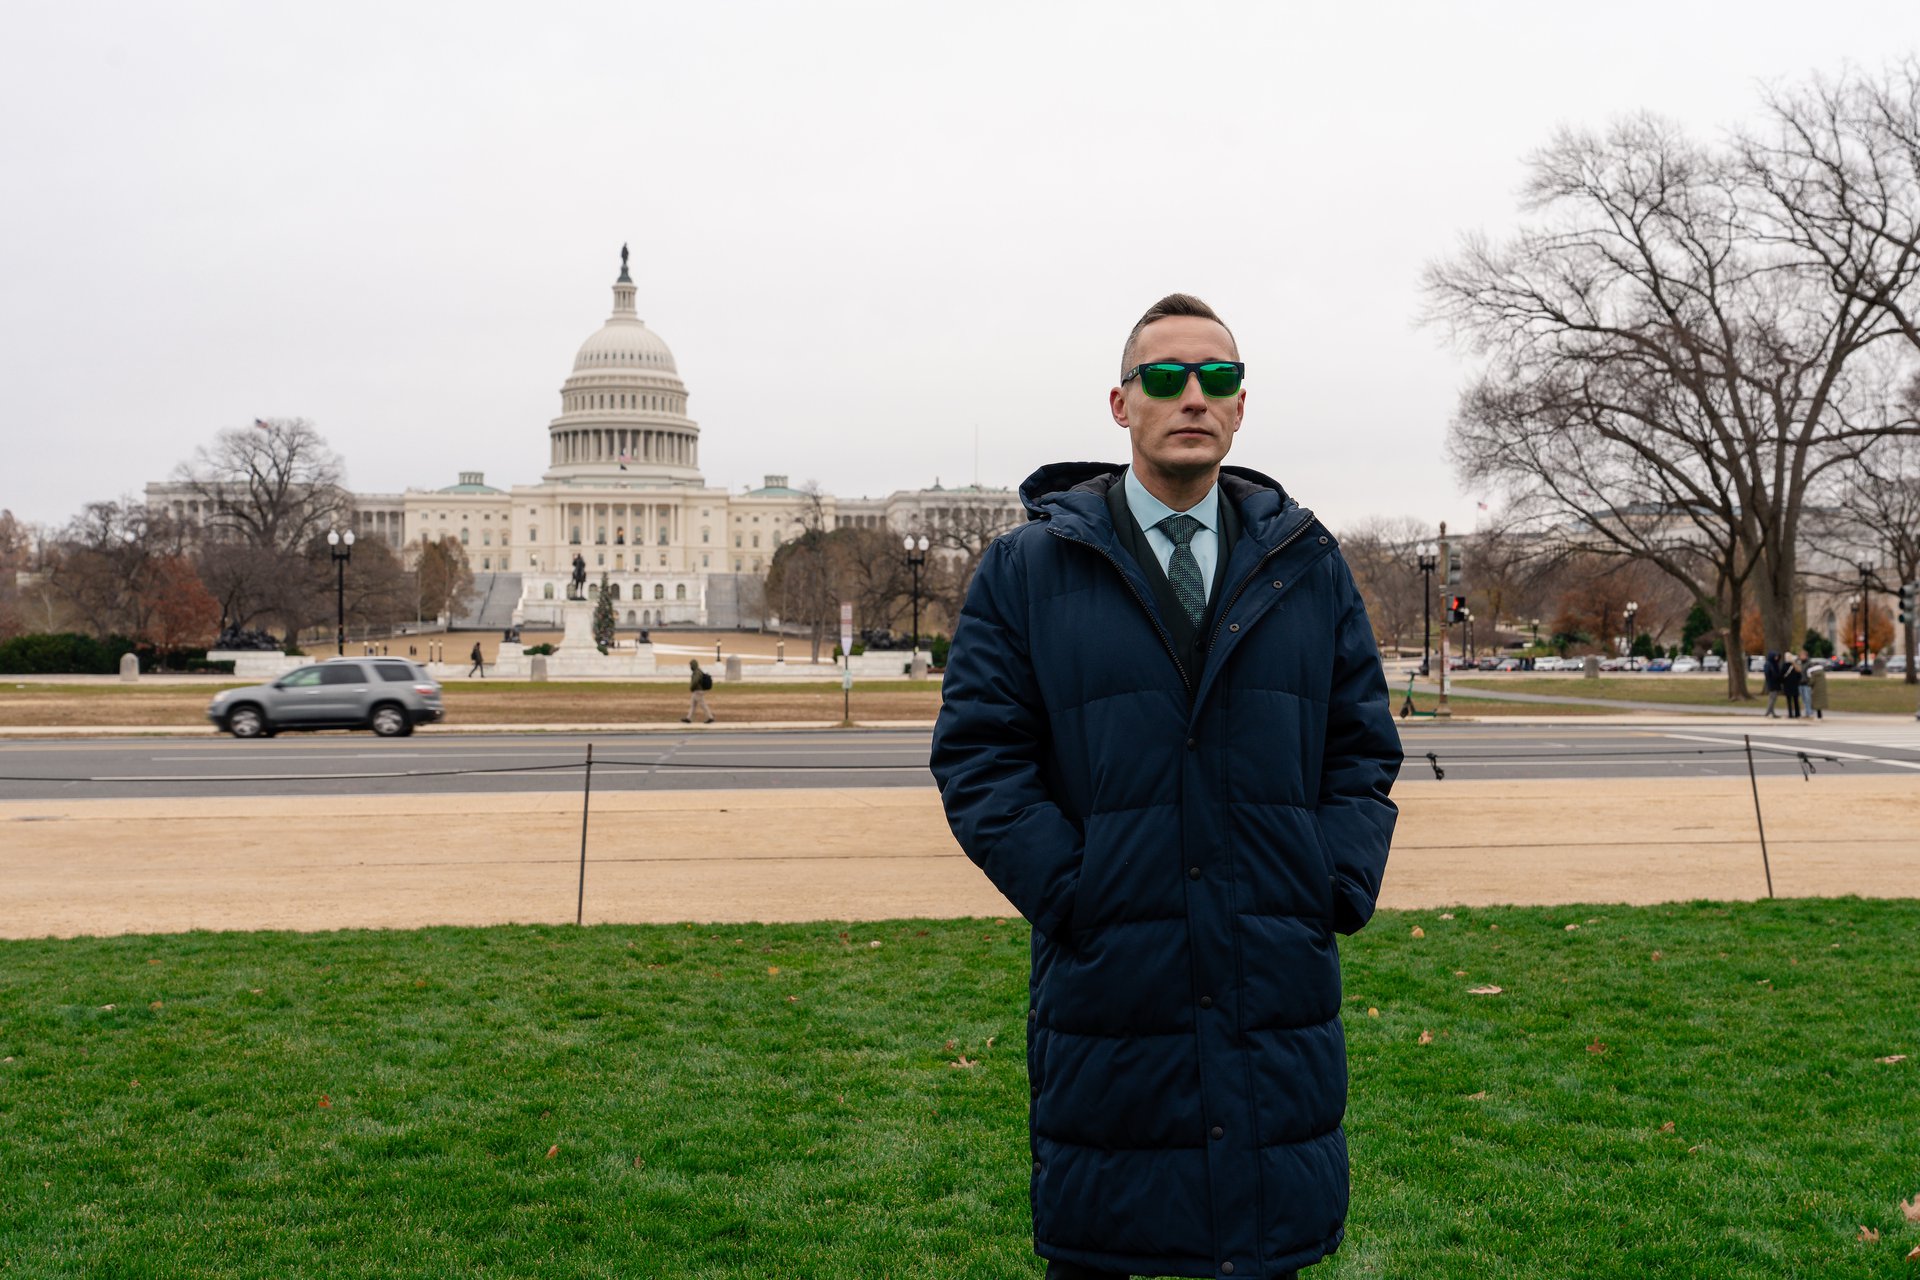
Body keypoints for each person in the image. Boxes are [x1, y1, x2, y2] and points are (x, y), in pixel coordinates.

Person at [931, 293, 1403, 1280]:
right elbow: (980, 757)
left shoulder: (1307, 564)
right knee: (1105, 1242)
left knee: (1261, 1246)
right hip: (1113, 983)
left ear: (1241, 405)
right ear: (1121, 403)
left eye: (1217, 377)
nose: (1194, 395)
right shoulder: (1027, 568)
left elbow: (1361, 748)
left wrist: (1329, 880)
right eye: (1166, 376)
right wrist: (1078, 891)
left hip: (1272, 975)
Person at [682, 658, 714, 724]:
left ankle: (710, 717)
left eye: (691, 665)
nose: (690, 667)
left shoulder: (696, 672)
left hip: (698, 691)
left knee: (702, 705)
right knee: (693, 705)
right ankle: (688, 718)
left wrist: (691, 687)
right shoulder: (698, 671)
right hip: (697, 691)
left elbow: (695, 681)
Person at [1782, 650, 1805, 718]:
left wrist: (1783, 682)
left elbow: (1782, 675)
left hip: (1787, 686)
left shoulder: (1785, 666)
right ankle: (1797, 714)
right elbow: (1799, 675)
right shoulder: (1795, 665)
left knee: (1789, 701)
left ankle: (1790, 714)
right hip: (1795, 686)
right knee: (1795, 700)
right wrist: (1797, 682)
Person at [1762, 651, 1782, 717]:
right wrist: (1775, 676)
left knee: (1774, 698)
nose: (1776, 658)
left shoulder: (1775, 664)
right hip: (1772, 683)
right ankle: (1768, 712)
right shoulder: (1769, 664)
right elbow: (1768, 674)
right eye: (1775, 656)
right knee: (1772, 698)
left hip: (1776, 683)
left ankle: (1772, 712)